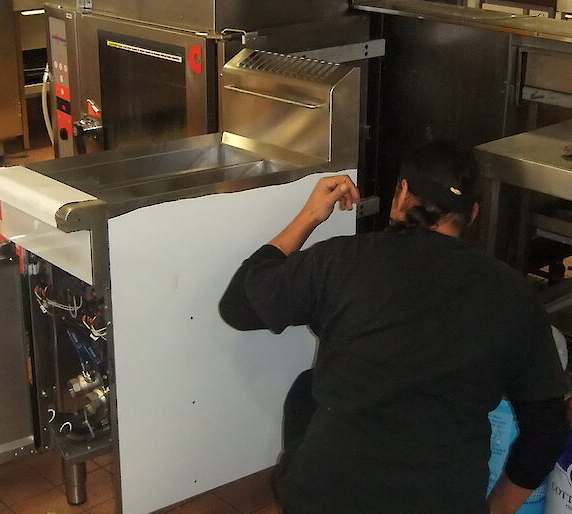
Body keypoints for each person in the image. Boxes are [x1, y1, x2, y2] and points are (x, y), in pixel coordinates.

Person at [219, 142, 568, 514]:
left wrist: (310, 215)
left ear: (401, 194)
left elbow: (238, 306)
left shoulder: (343, 260)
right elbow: (546, 429)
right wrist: (494, 510)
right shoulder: (513, 293)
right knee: (309, 388)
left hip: (323, 499)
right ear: (474, 213)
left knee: (308, 391)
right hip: (443, 500)